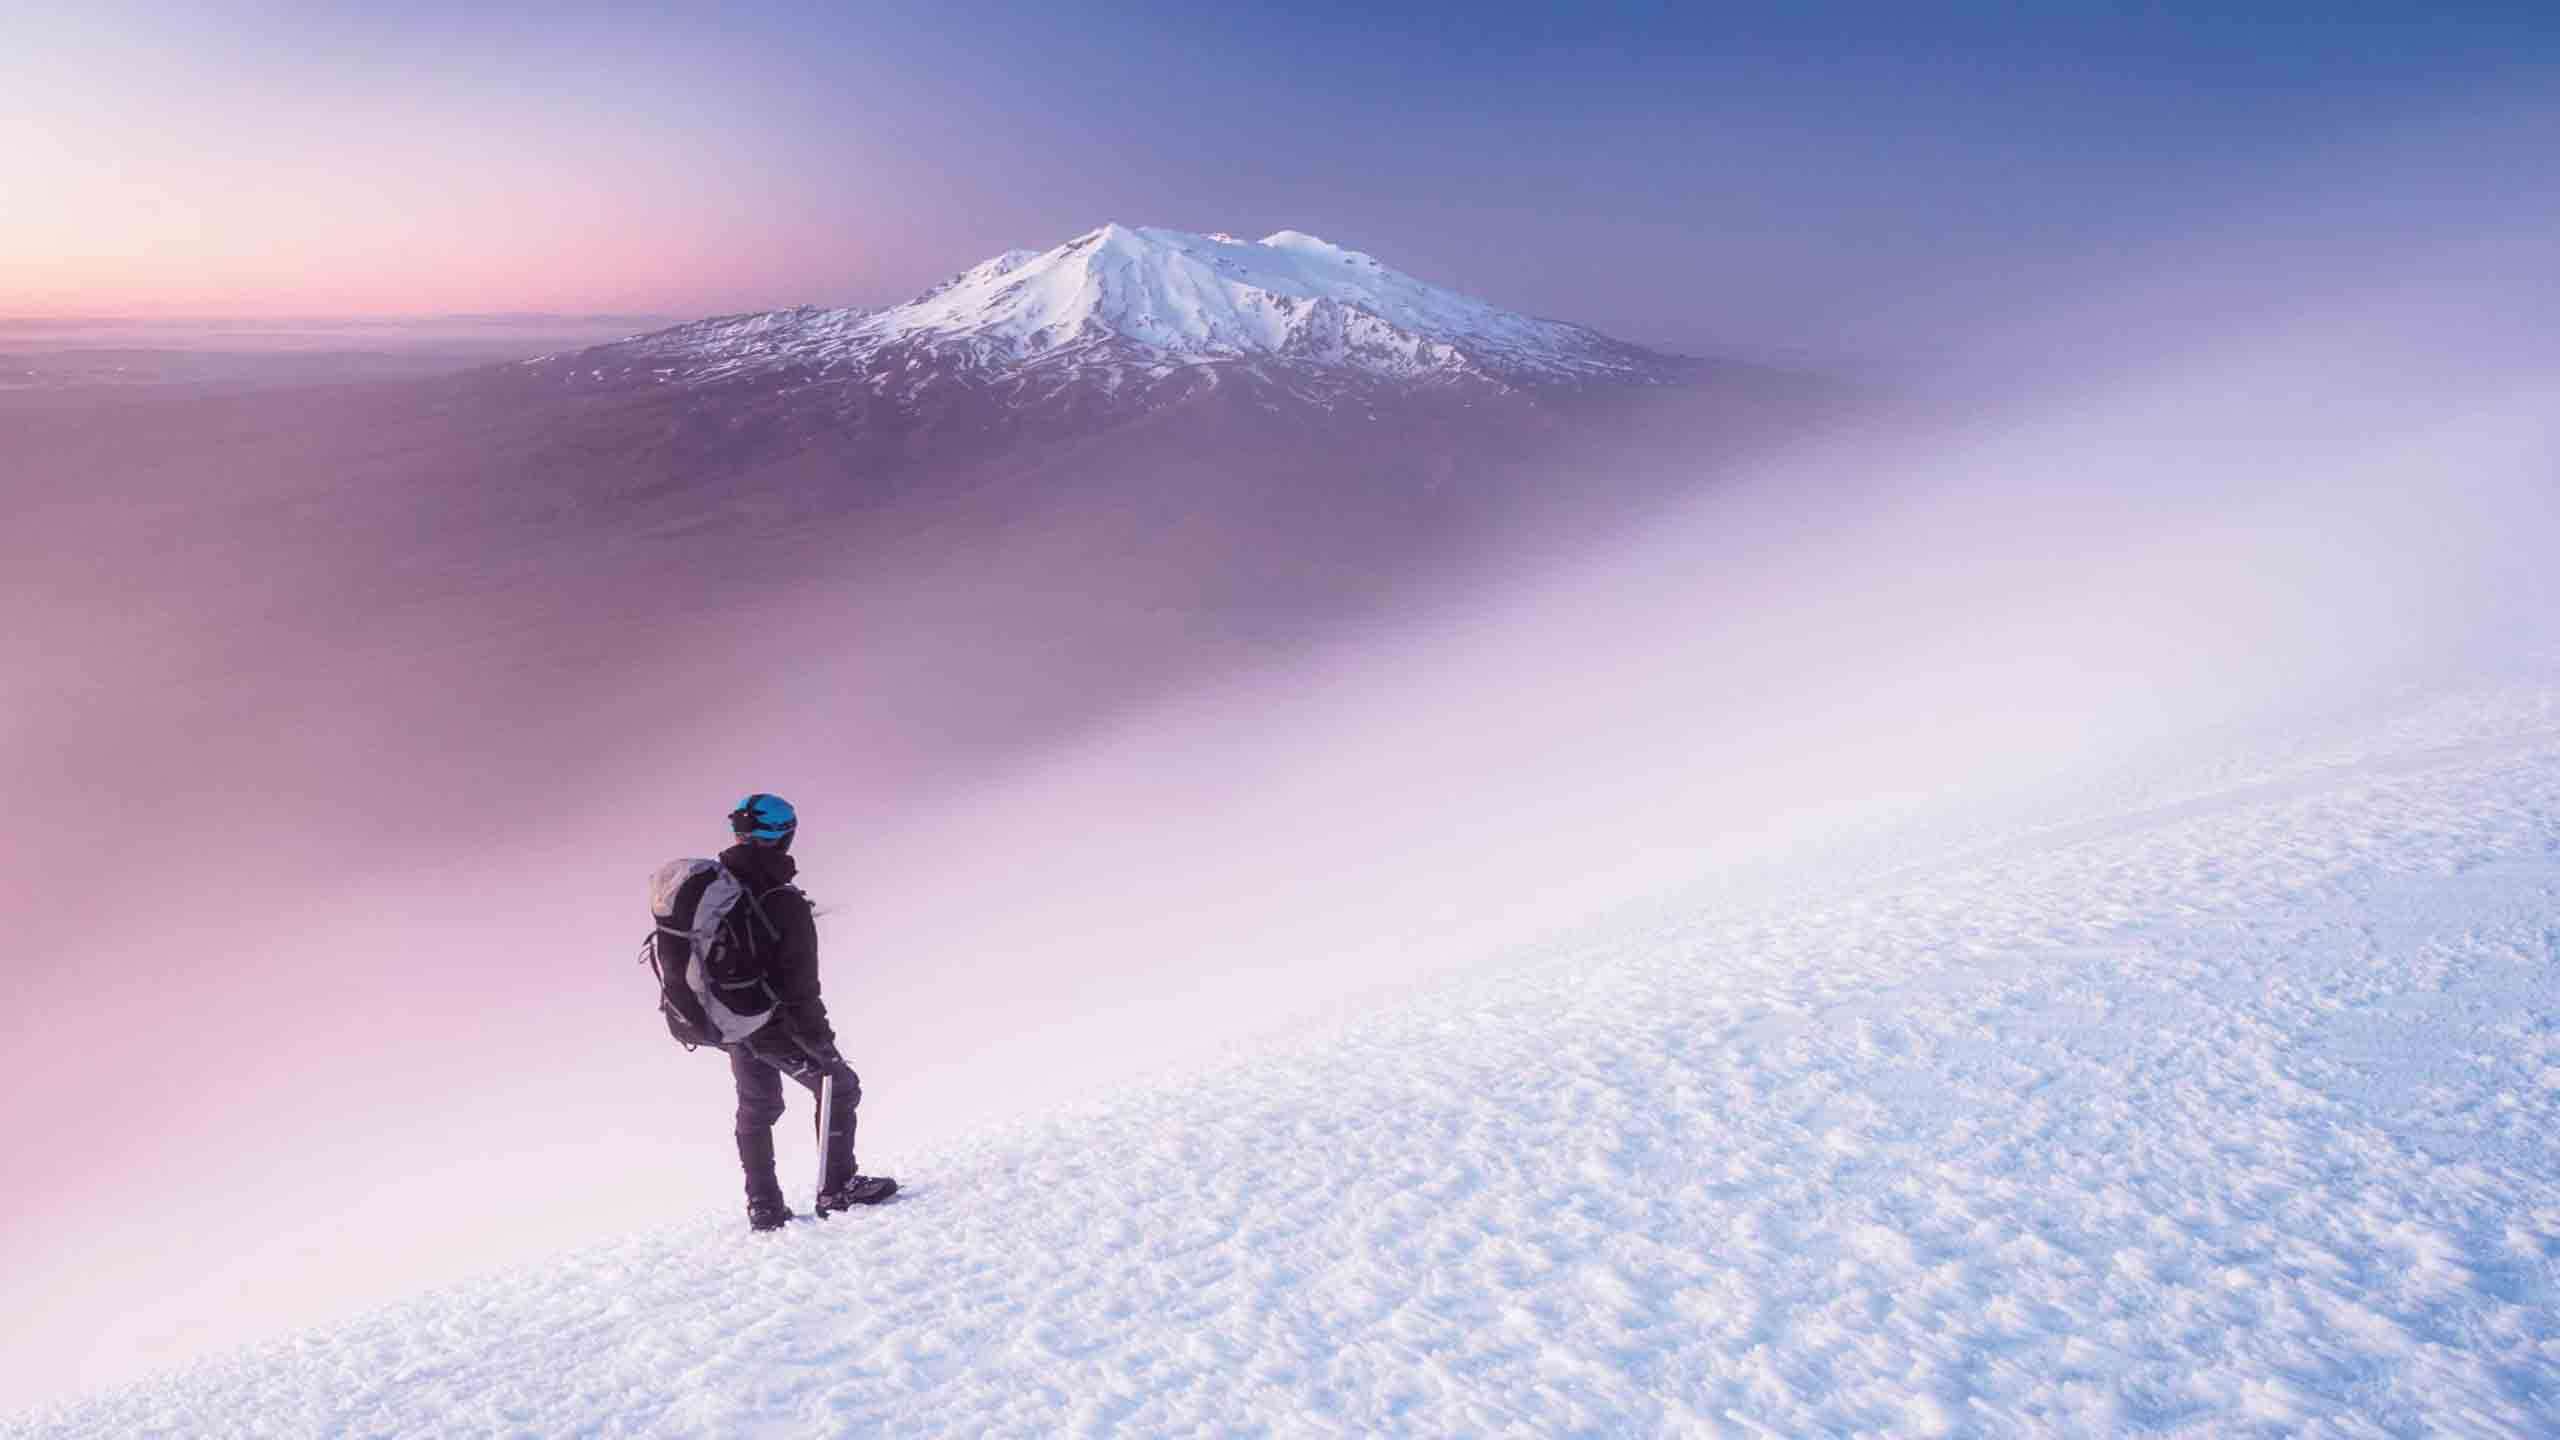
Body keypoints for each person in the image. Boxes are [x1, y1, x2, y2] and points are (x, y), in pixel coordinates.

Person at [718, 792, 897, 1229]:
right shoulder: (783, 900)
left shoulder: (721, 888)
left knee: (757, 1105)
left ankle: (763, 1205)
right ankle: (837, 1188)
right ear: (785, 836)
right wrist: (822, 1042)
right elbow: (800, 989)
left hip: (731, 1019)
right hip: (772, 1023)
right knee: (840, 1085)